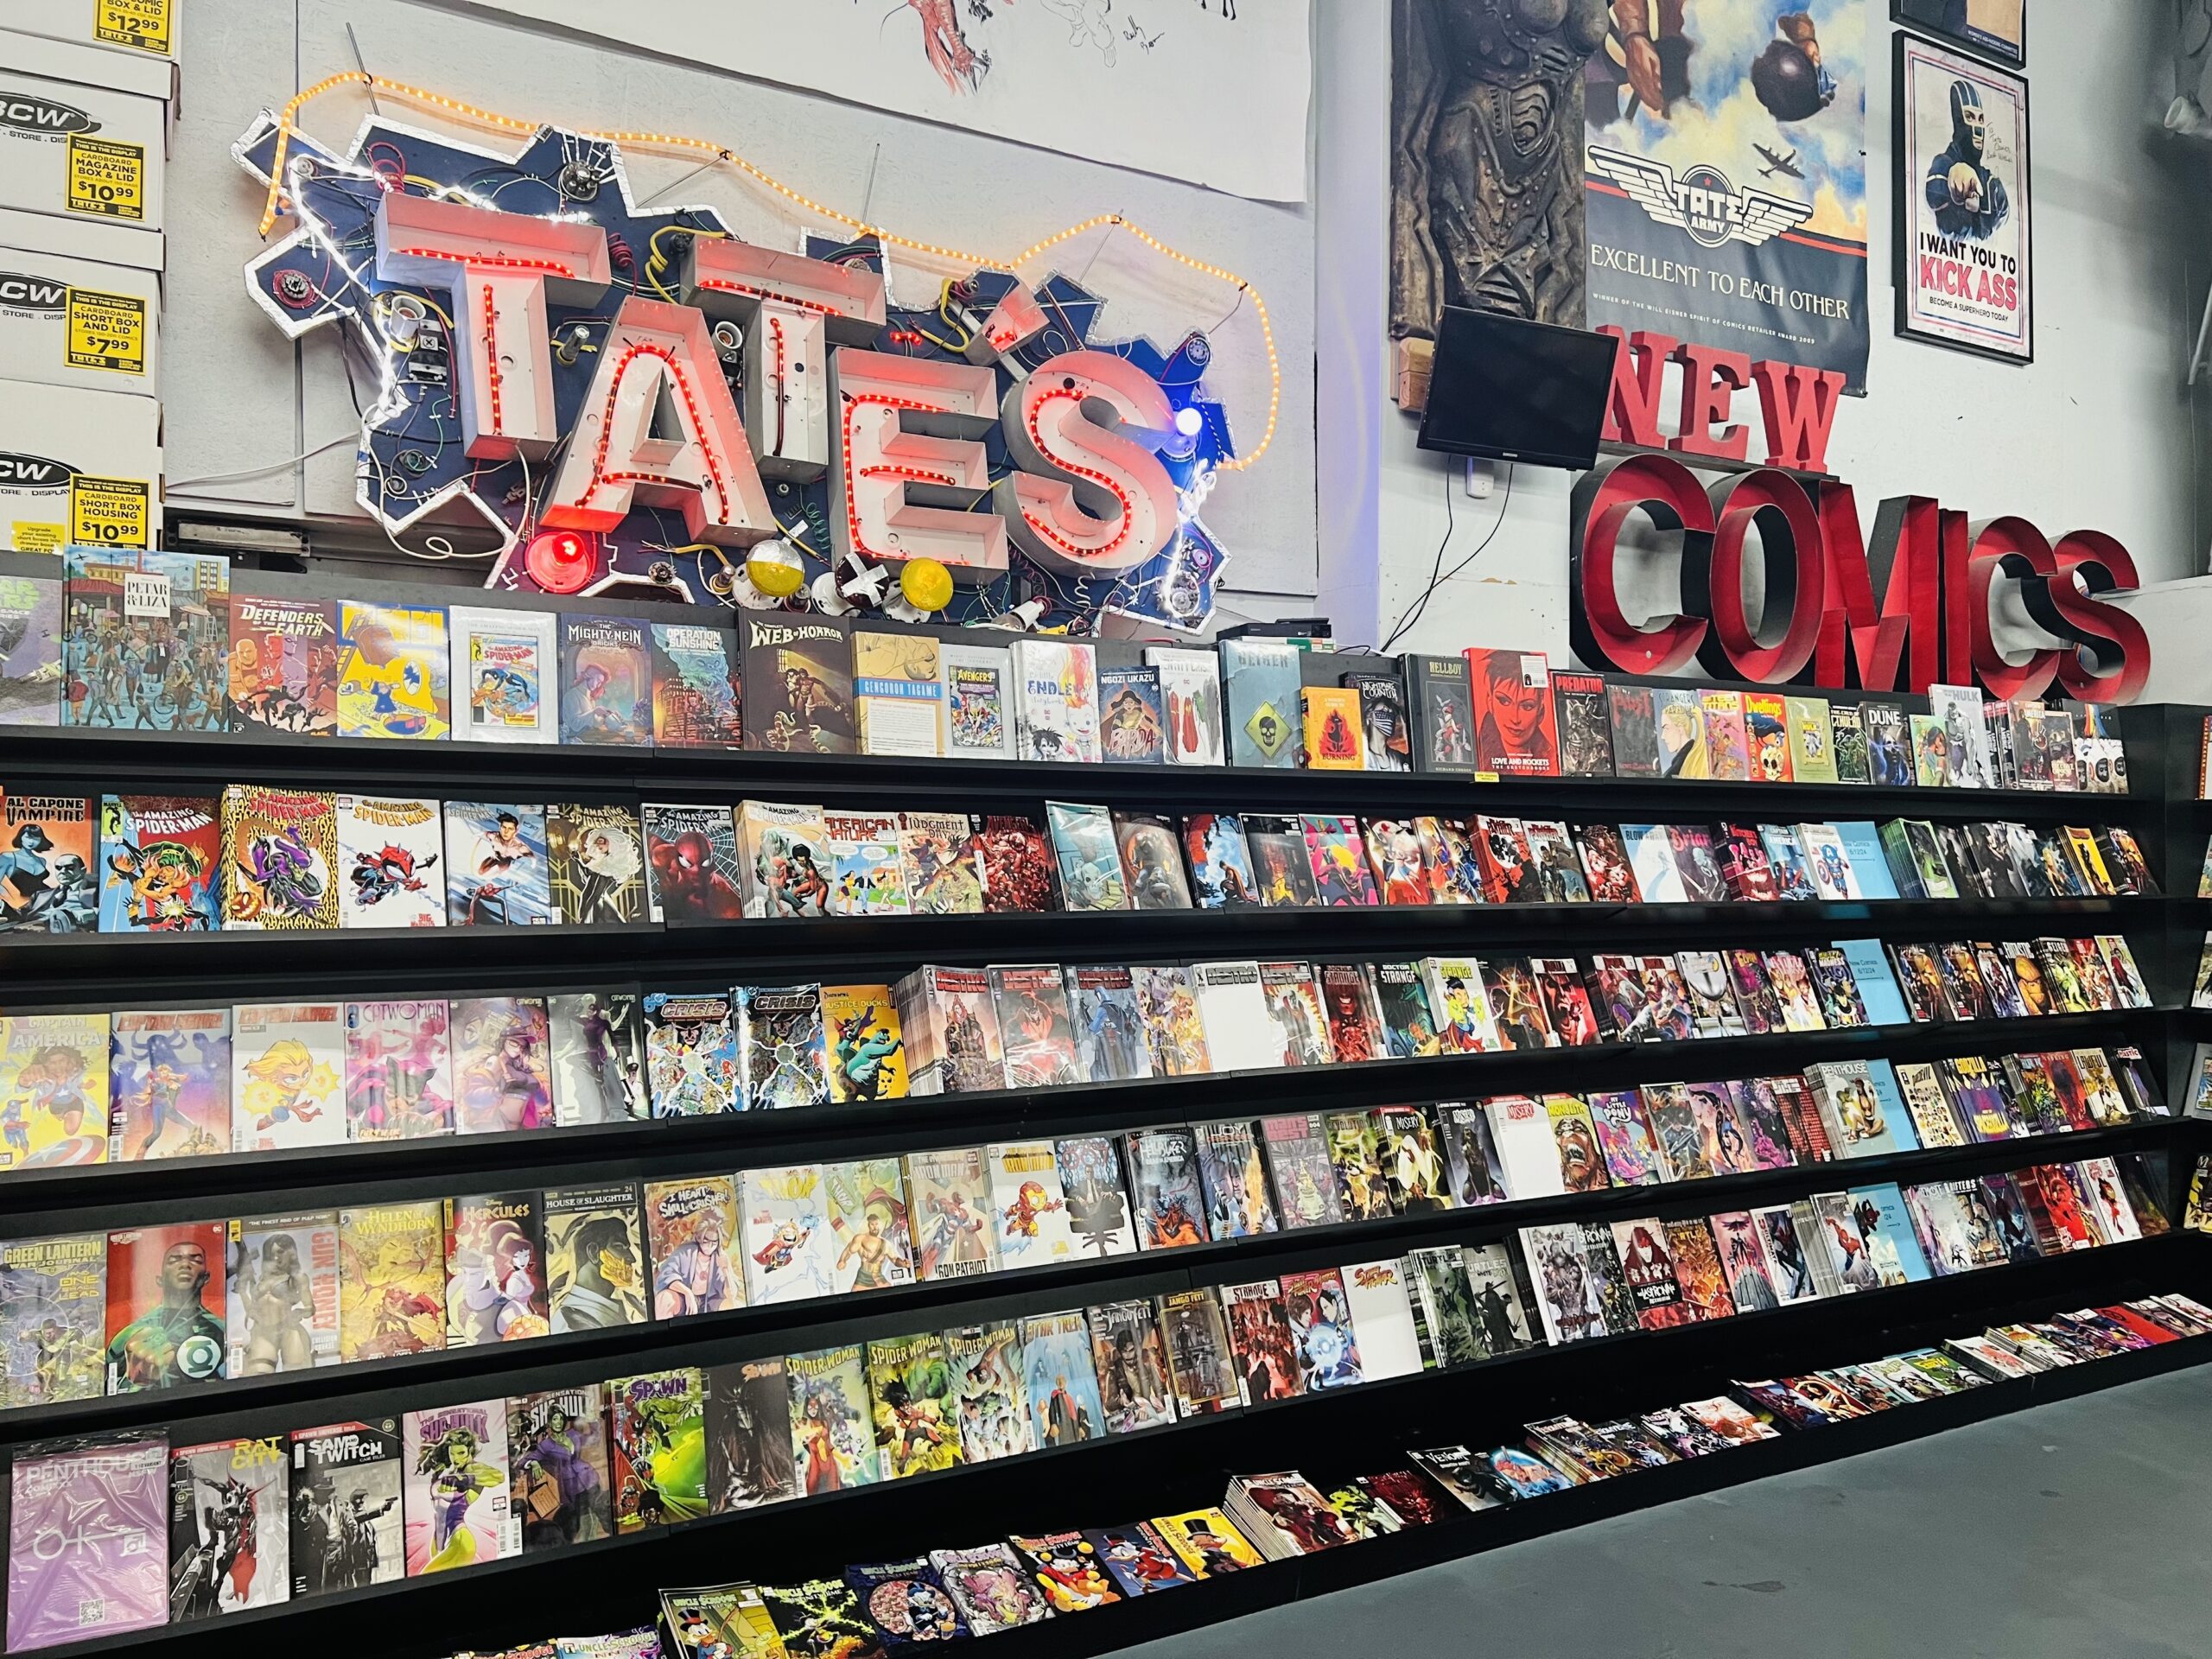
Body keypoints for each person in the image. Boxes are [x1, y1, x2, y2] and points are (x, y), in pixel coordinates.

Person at [1925, 79, 2010, 240]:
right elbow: (1935, 194)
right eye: (1970, 117)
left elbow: (2003, 219)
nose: (1977, 128)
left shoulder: (1991, 182)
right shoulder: (1943, 163)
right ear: (1958, 120)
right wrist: (1955, 172)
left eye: (1980, 119)